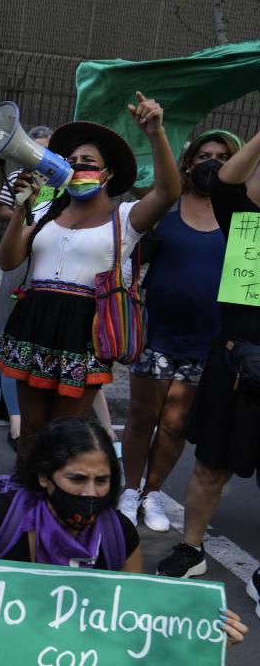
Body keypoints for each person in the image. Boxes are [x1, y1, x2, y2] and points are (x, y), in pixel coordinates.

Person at [0, 417, 250, 648]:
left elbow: (137, 627)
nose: (91, 492)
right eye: (77, 479)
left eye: (101, 480)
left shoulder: (119, 533)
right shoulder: (1, 518)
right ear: (45, 477)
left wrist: (205, 637)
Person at [0, 93, 182, 449]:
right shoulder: (48, 212)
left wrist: (156, 133)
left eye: (88, 161)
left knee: (65, 433)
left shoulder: (125, 218)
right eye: (72, 160)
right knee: (30, 430)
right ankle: (28, 498)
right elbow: (8, 261)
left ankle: (58, 498)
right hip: (34, 321)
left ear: (107, 174)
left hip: (84, 329)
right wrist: (21, 210)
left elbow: (170, 191)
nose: (78, 166)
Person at [156, 126, 260, 607]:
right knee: (209, 464)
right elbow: (225, 183)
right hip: (235, 358)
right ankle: (190, 548)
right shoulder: (243, 219)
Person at [118, 132, 240, 531]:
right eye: (204, 156)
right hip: (157, 332)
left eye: (223, 157)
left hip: (208, 340)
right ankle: (130, 489)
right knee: (141, 417)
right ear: (188, 164)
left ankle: (153, 493)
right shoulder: (166, 208)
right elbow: (131, 256)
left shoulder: (241, 216)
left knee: (174, 424)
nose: (212, 163)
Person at [0, 125, 55, 449]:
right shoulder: (23, 177)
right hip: (20, 262)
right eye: (40, 148)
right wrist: (25, 209)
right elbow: (1, 209)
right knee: (8, 336)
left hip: (45, 267)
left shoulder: (64, 180)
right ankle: (16, 419)